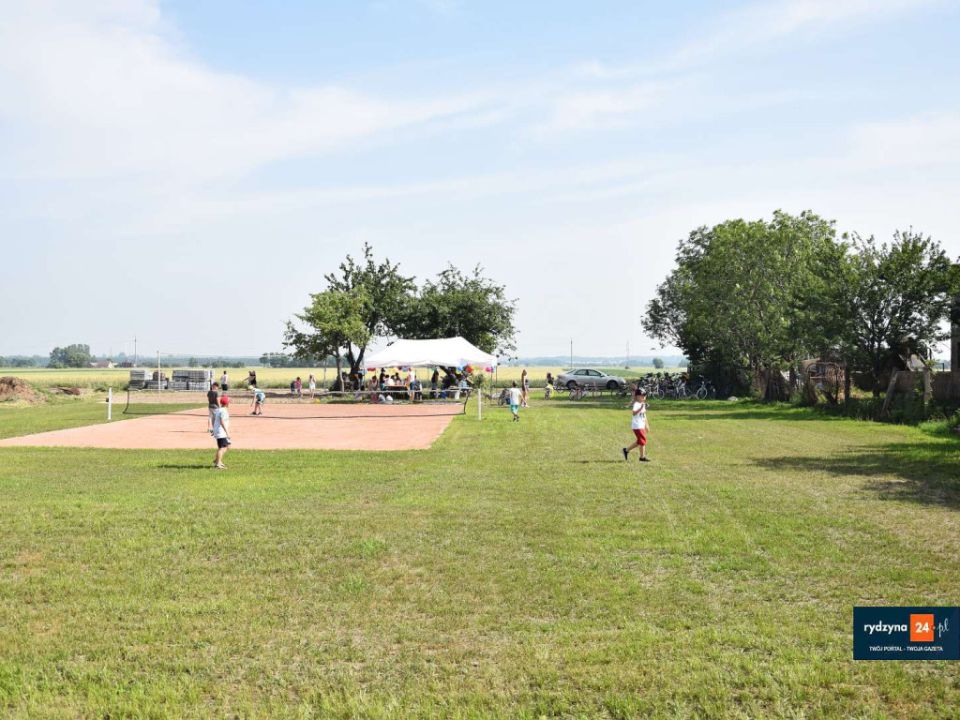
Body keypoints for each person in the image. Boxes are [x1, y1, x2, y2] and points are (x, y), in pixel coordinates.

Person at [623, 387, 650, 462]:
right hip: (637, 425)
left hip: (641, 425)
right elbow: (634, 413)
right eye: (642, 396)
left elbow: (644, 415)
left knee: (640, 441)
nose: (644, 397)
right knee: (642, 440)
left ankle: (626, 450)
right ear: (637, 396)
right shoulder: (637, 404)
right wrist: (640, 408)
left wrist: (646, 424)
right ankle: (642, 457)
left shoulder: (642, 404)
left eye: (644, 396)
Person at [212, 395, 231, 469]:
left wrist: (214, 429)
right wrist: (227, 432)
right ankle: (218, 464)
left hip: (219, 431)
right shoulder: (223, 411)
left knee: (228, 445)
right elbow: (222, 421)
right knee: (222, 448)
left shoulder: (219, 410)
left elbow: (214, 419)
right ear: (227, 403)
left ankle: (217, 460)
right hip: (221, 432)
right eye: (229, 402)